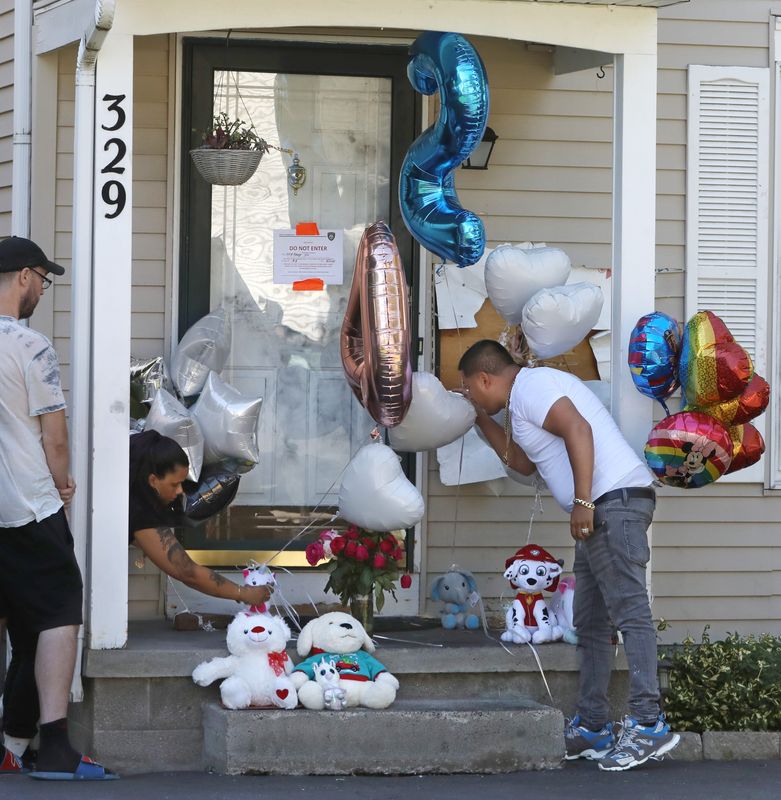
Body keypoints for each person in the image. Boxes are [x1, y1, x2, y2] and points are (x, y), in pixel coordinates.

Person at [458, 339, 680, 772]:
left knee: (630, 613)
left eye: (470, 389)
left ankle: (648, 722)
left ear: (485, 377)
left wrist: (584, 502)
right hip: (601, 509)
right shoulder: (520, 404)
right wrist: (479, 418)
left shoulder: (533, 386)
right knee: (591, 623)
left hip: (611, 504)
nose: (470, 395)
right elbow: (523, 464)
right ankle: (594, 726)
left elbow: (579, 429)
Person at [0, 236, 116, 780]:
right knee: (59, 612)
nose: (43, 291)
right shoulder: (29, 346)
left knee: (25, 631)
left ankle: (12, 745)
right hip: (28, 505)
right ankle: (57, 748)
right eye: (44, 280)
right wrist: (63, 484)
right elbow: (55, 436)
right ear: (24, 276)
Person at [129, 430, 273, 608]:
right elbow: (187, 572)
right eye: (174, 484)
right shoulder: (139, 509)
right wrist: (245, 593)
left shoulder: (130, 474)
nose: (180, 491)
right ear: (153, 480)